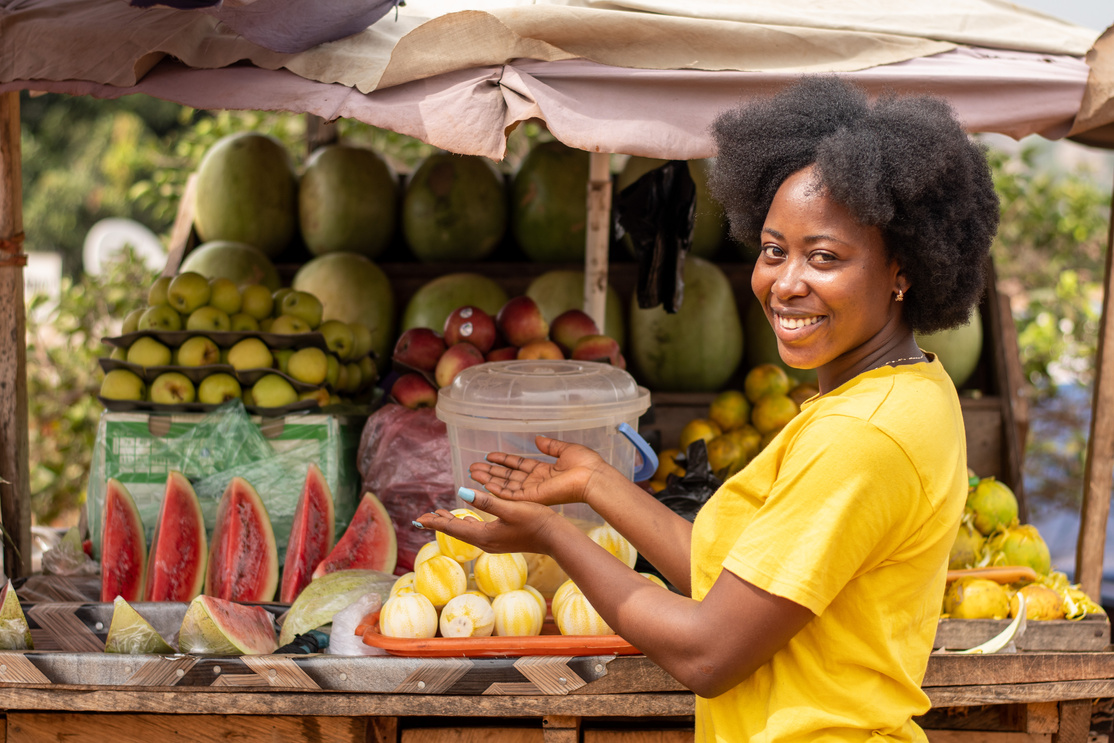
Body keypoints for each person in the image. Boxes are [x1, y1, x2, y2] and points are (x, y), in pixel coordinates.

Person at [414, 76, 1000, 742]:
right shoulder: (910, 390)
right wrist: (597, 483)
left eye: (825, 257)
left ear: (904, 269)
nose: (786, 282)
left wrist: (556, 535)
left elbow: (708, 651)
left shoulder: (860, 434)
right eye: (774, 249)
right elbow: (732, 578)